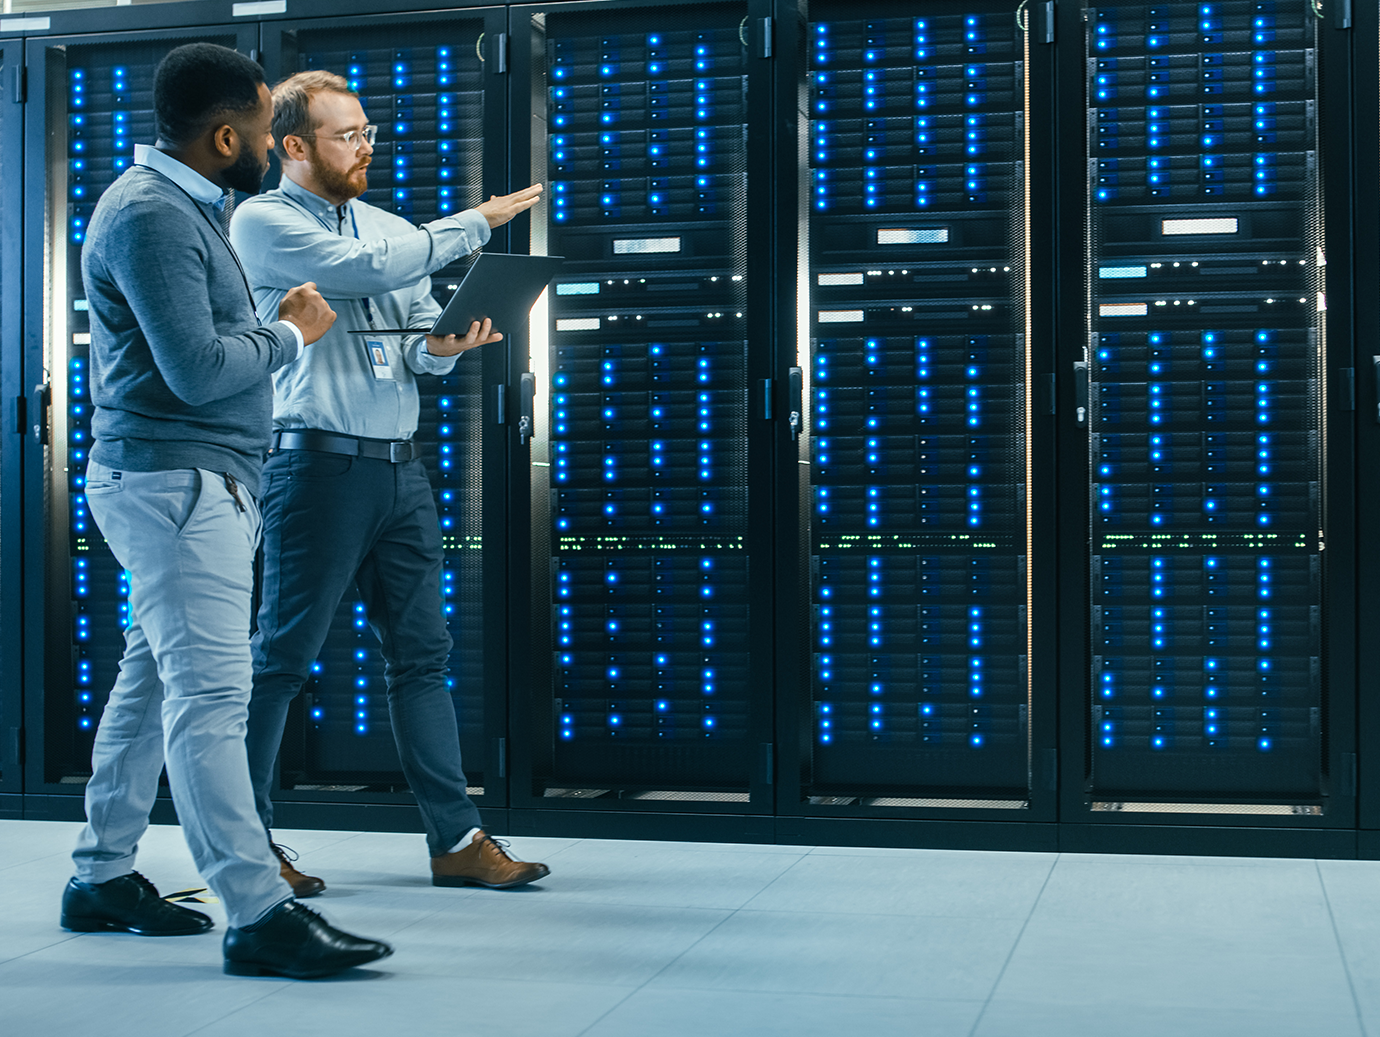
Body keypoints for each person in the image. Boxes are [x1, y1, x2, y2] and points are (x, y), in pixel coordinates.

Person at [60, 43, 391, 980]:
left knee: (152, 685)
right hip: (176, 483)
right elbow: (200, 373)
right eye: (257, 129)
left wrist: (263, 325)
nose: (269, 147)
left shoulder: (184, 207)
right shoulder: (153, 215)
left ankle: (100, 874)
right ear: (221, 134)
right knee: (212, 697)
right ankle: (260, 911)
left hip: (191, 482)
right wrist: (290, 331)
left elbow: (202, 349)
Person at [230, 71, 548, 895]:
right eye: (348, 135)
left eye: (369, 131)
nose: (365, 146)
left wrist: (440, 348)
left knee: (422, 657)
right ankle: (249, 843)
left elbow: (405, 329)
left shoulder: (386, 225)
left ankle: (458, 840)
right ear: (294, 146)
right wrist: (474, 223)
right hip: (314, 465)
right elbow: (368, 273)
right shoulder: (263, 220)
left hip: (399, 471)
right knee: (282, 659)